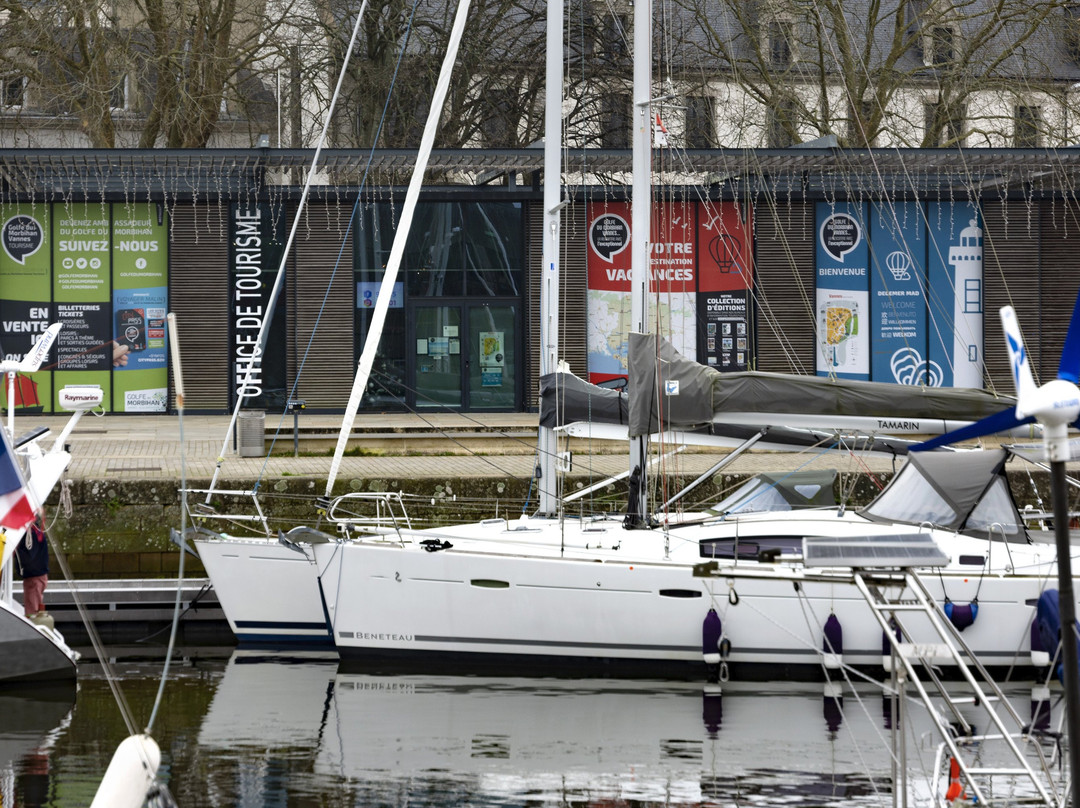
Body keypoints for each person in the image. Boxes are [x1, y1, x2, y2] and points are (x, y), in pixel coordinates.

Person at [14, 512, 49, 618]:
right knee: (34, 610)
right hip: (38, 576)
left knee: (32, 613)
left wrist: (14, 550)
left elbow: (28, 557)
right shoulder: (36, 531)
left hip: (34, 578)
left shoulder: (31, 534)